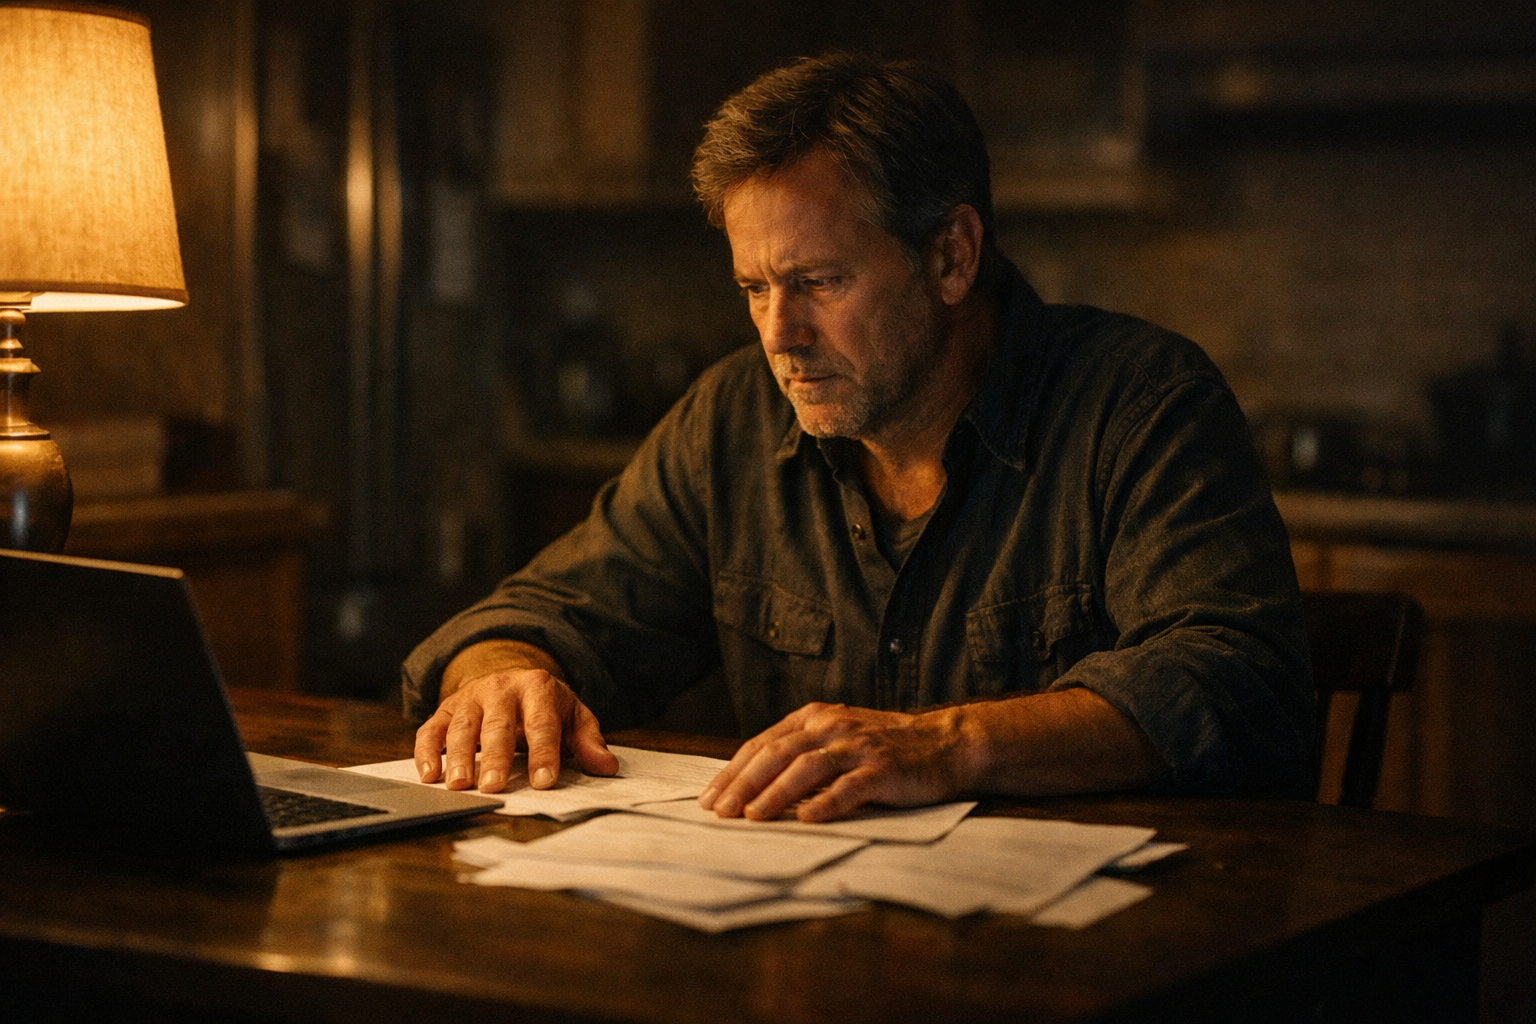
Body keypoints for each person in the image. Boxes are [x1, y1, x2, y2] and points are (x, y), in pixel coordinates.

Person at [404, 53, 1313, 823]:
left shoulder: (1139, 404)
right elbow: (543, 616)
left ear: (953, 256)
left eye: (818, 282)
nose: (778, 335)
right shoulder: (733, 422)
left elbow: (1239, 682)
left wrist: (948, 746)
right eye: (754, 289)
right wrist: (503, 676)